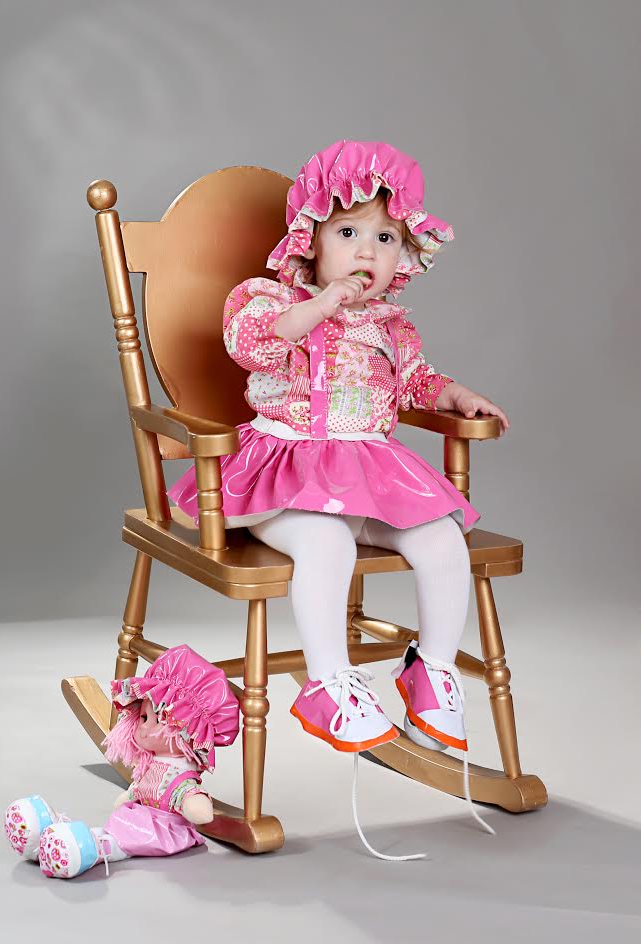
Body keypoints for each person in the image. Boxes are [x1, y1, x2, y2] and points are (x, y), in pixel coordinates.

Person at [169, 140, 508, 853]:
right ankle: (329, 680)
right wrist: (322, 304)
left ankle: (432, 671)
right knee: (324, 541)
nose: (365, 252)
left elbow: (415, 382)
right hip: (284, 470)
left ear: (404, 254)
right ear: (310, 239)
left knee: (442, 536)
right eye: (348, 231)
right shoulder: (266, 298)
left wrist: (454, 394)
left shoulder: (392, 324)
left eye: (385, 238)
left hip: (369, 475)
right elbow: (254, 346)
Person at [4, 645, 240, 878]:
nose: (144, 727)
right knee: (113, 832)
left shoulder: (181, 780)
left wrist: (193, 804)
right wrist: (130, 795)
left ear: (188, 731)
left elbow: (199, 810)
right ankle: (46, 840)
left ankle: (88, 849)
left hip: (161, 829)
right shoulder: (150, 765)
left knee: (118, 842)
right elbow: (138, 789)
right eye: (144, 717)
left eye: (158, 720)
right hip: (138, 815)